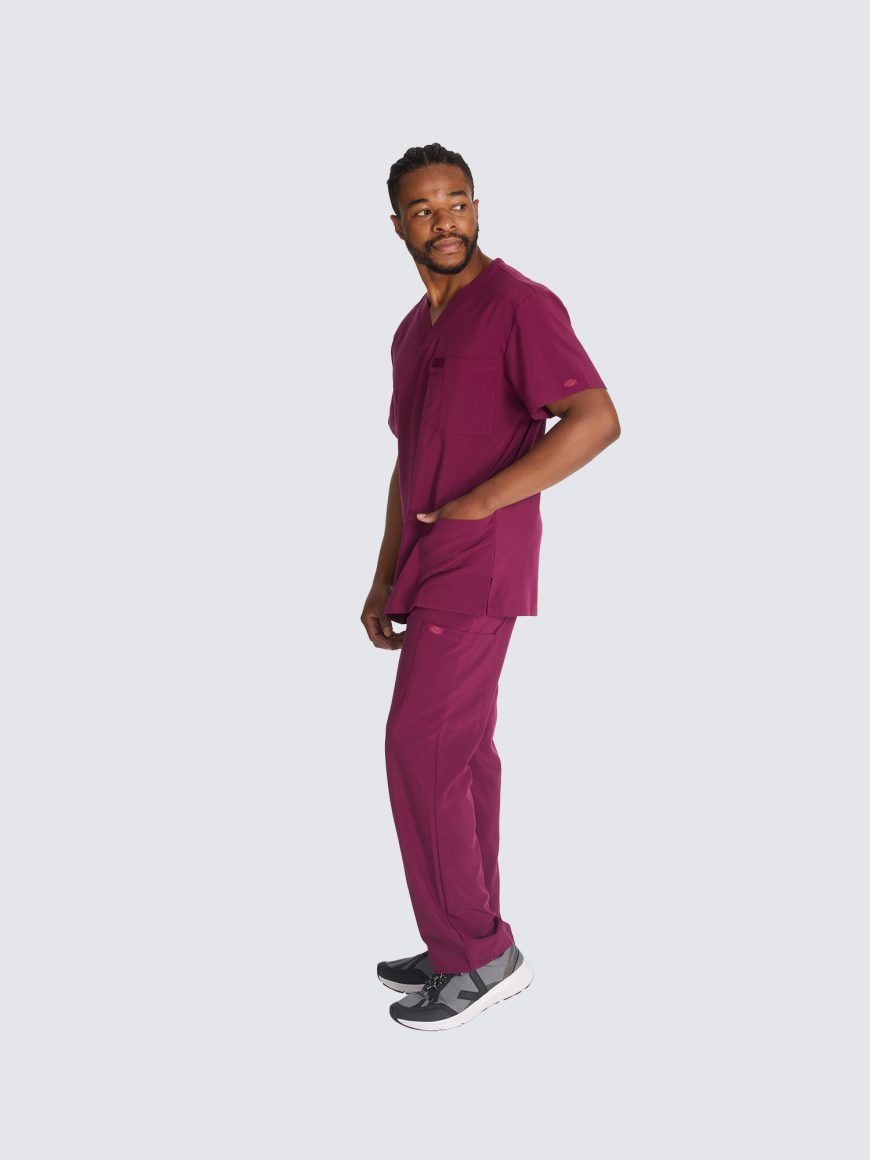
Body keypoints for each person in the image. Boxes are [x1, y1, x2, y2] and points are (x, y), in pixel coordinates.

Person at [361, 143, 621, 1031]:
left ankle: (476, 955)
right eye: (424, 209)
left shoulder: (518, 303)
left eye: (458, 202)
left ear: (477, 207)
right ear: (398, 225)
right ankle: (464, 938)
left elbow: (596, 419)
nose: (445, 222)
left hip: (479, 565)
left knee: (420, 748)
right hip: (429, 567)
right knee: (461, 753)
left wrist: (480, 502)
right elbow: (409, 464)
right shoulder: (413, 330)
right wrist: (382, 574)